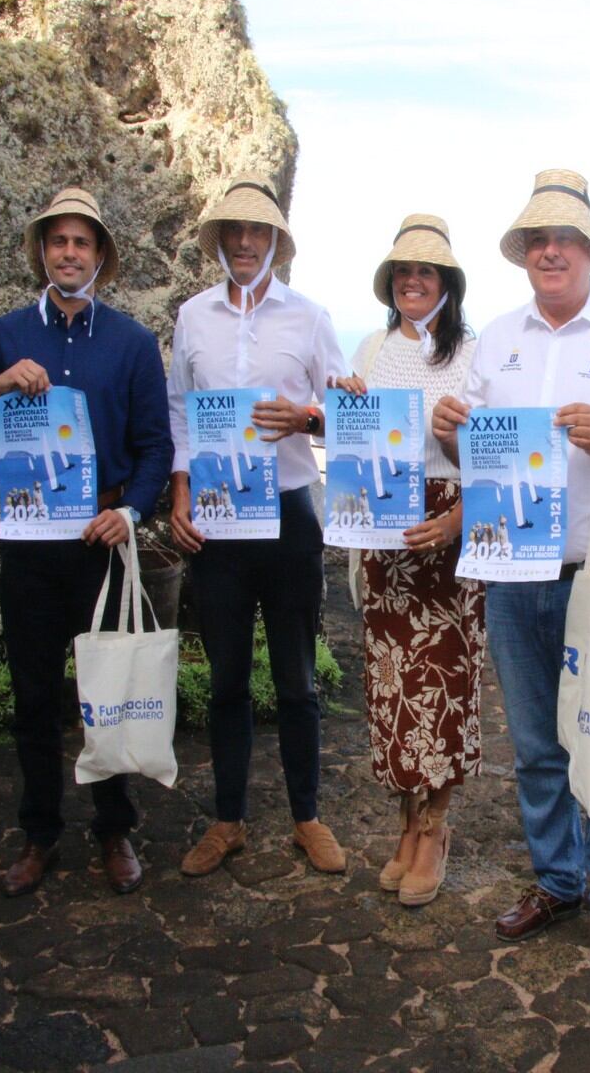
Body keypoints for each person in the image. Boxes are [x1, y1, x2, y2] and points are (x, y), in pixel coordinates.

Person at [433, 169, 590, 964]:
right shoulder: (493, 339)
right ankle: (559, 879)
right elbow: (464, 447)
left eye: (565, 239)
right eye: (539, 240)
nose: (551, 250)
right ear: (524, 254)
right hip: (509, 569)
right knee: (536, 743)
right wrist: (444, 428)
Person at [0, 188, 172, 897]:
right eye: (57, 241)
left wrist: (131, 512)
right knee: (34, 694)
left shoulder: (132, 342)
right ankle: (40, 832)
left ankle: (114, 828)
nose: (69, 253)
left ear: (100, 255)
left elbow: (155, 447)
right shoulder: (6, 335)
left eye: (82, 242)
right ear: (41, 251)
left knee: (108, 692)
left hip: (101, 539)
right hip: (30, 543)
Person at [167, 175, 351, 879]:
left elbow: (347, 418)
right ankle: (228, 820)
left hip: (290, 514)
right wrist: (180, 495)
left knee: (299, 680)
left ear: (276, 241)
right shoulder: (193, 317)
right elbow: (181, 413)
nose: (245, 243)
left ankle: (307, 817)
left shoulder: (309, 317)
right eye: (233, 232)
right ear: (219, 241)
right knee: (227, 680)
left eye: (258, 232)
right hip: (216, 520)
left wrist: (304, 416)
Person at [334, 214, 483, 906]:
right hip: (383, 524)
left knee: (444, 687)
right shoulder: (369, 347)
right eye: (403, 271)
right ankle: (404, 821)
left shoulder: (471, 354)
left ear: (447, 283)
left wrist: (458, 512)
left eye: (426, 271)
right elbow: (351, 441)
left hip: (447, 526)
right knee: (393, 684)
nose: (413, 281)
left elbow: (488, 458)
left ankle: (436, 827)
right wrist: (339, 410)